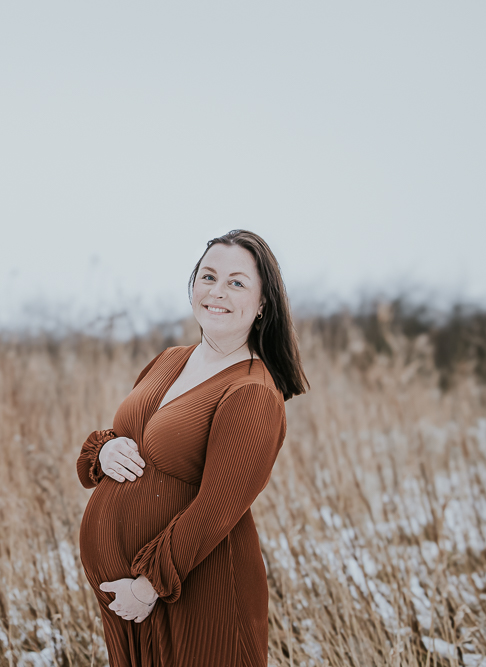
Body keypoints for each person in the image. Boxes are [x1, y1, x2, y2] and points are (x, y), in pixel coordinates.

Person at [76, 229, 309, 667]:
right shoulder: (169, 360)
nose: (216, 291)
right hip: (133, 601)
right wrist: (104, 451)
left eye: (236, 282)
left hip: (197, 594)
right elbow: (130, 439)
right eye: (208, 276)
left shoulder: (251, 392)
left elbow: (216, 509)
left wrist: (146, 586)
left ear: (262, 304)